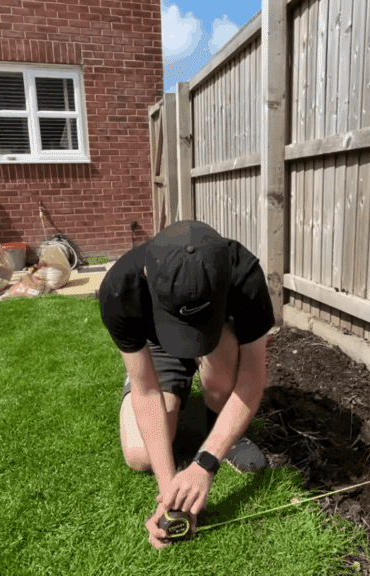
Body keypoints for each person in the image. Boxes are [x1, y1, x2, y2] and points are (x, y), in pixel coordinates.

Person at [98, 220, 276, 549]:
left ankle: (222, 429)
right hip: (157, 346)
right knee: (140, 456)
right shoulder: (120, 287)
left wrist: (206, 462)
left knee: (224, 375)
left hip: (216, 337)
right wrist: (170, 495)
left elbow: (253, 378)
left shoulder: (244, 272)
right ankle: (191, 409)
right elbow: (146, 388)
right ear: (149, 277)